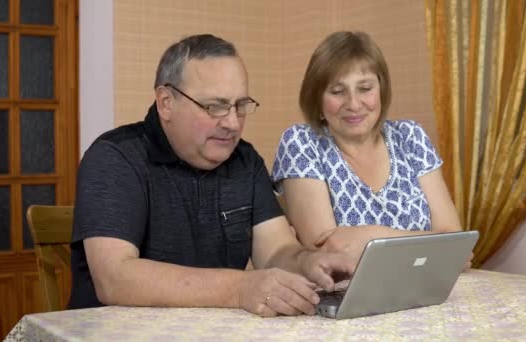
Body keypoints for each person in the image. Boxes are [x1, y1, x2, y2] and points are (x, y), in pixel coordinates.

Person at [69, 34, 354, 317]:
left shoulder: (244, 160)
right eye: (214, 106)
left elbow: (276, 251)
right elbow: (114, 278)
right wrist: (240, 288)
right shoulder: (116, 157)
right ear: (166, 102)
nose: (232, 123)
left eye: (240, 106)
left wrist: (309, 262)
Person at [271, 31, 463, 262]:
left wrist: (368, 236)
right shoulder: (301, 143)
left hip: (426, 288)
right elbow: (328, 253)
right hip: (343, 295)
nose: (353, 104)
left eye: (364, 88)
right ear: (317, 100)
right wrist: (431, 245)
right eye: (337, 91)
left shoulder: (410, 136)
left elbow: (455, 243)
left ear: (381, 90)